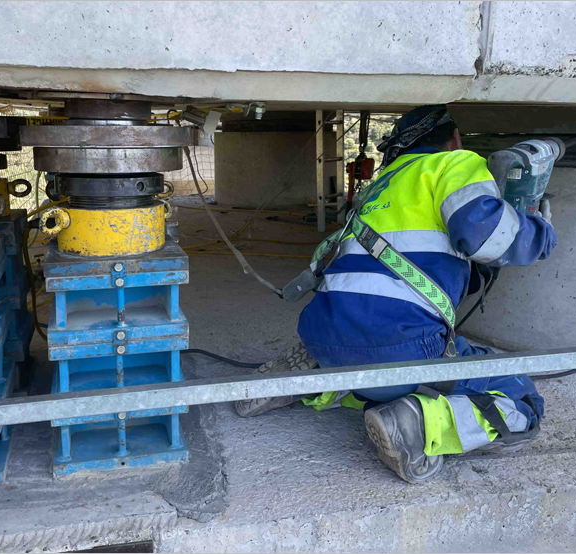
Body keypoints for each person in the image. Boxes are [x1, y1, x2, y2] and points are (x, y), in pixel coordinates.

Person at [234, 105, 557, 483]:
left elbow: (418, 262)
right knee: (518, 395)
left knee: (369, 364)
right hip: (398, 346)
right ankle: (415, 425)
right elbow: (488, 236)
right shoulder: (453, 164)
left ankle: (310, 381)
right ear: (453, 139)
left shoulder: (380, 184)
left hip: (322, 333)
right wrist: (541, 231)